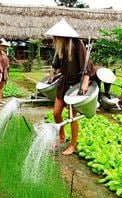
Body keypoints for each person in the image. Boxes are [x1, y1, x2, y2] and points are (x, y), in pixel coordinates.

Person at [45, 19, 96, 155]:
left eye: (56, 36)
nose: (54, 39)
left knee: (72, 116)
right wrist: (52, 74)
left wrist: (85, 82)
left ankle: (73, 144)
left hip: (75, 84)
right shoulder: (60, 47)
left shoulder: (76, 44)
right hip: (64, 83)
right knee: (56, 112)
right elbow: (55, 65)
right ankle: (62, 136)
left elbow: (88, 65)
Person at [0, 38, 10, 105]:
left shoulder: (4, 53)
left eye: (4, 46)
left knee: (1, 86)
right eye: (2, 46)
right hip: (0, 71)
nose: (4, 47)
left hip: (4, 71)